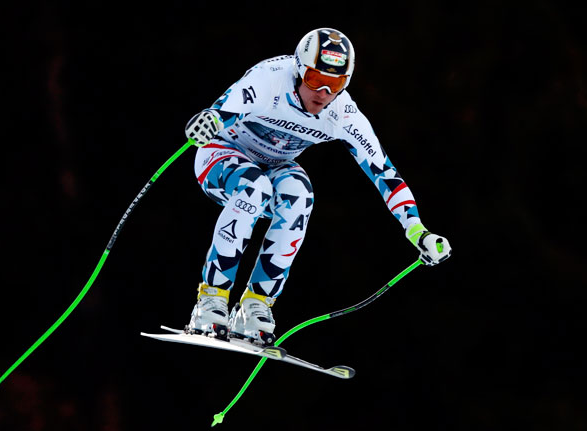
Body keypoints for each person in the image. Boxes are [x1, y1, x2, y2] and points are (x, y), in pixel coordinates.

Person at [183, 27, 451, 346]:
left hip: (274, 169)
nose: (323, 92)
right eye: (314, 79)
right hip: (222, 157)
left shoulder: (343, 113)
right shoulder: (270, 79)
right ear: (298, 69)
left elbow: (385, 173)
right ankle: (211, 300)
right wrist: (210, 120)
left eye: (334, 84)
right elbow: (221, 110)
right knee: (252, 186)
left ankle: (255, 306)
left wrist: (418, 230)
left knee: (299, 192)